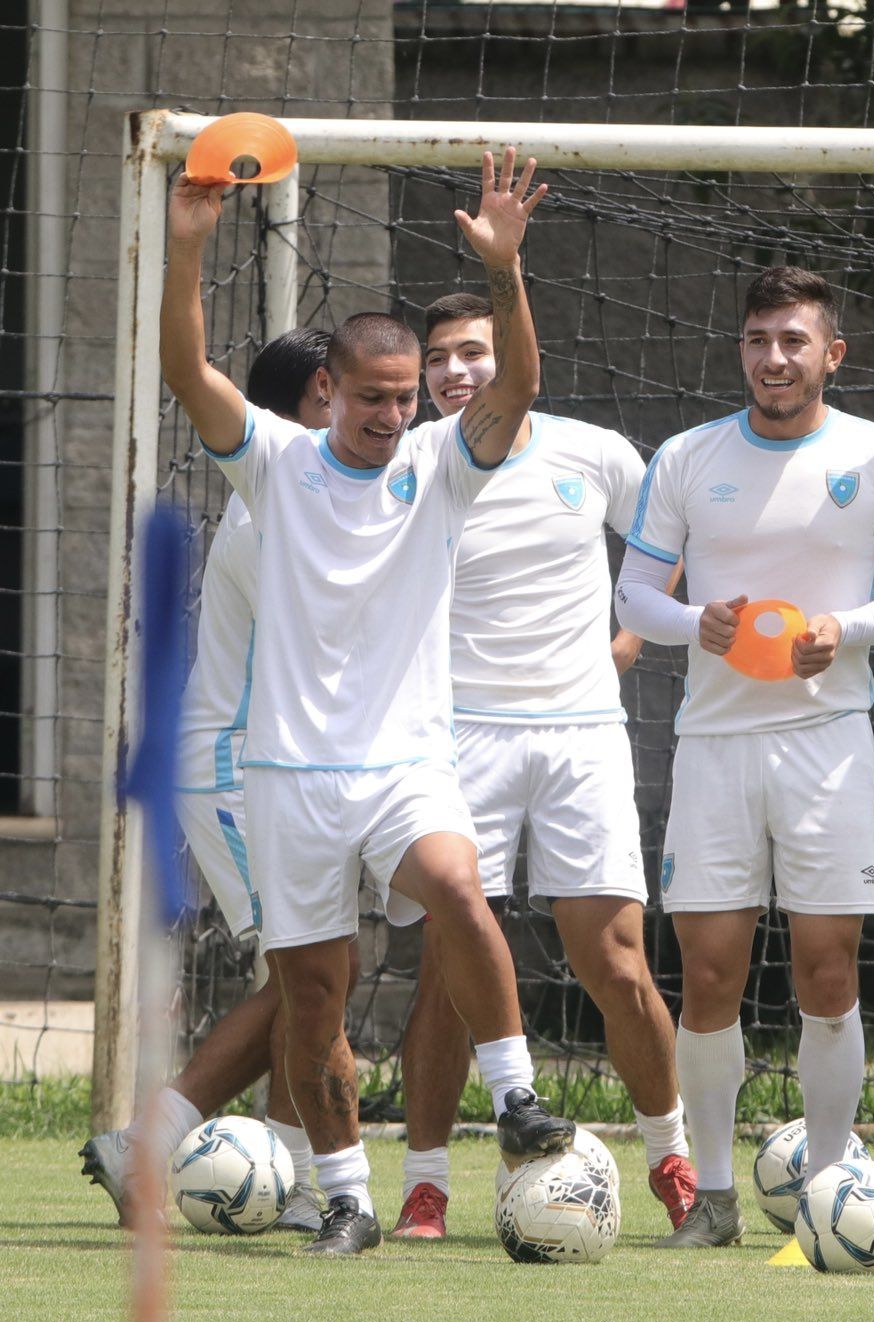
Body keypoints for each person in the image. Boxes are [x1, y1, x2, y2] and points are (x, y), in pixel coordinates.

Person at [158, 148, 572, 1256]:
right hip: (288, 776)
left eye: (407, 397)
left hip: (404, 761)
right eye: (376, 396)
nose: (395, 415)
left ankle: (516, 1092)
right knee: (311, 1002)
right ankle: (345, 1196)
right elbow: (189, 369)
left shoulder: (439, 464)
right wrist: (189, 242)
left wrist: (503, 271)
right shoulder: (277, 461)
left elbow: (520, 386)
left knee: (457, 887)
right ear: (330, 389)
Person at [612, 265, 874, 1248]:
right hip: (713, 744)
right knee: (708, 972)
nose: (774, 358)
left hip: (825, 742)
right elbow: (635, 595)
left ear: (830, 353)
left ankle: (829, 1197)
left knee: (826, 966)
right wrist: (691, 622)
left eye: (793, 340)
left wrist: (843, 627)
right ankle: (711, 1199)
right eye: (758, 339)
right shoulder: (685, 457)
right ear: (741, 351)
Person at [389, 292, 693, 1240]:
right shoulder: (410, 463)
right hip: (456, 739)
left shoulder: (591, 450)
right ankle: (425, 1185)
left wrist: (630, 640)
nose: (455, 372)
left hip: (581, 736)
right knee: (447, 966)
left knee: (615, 959)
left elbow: (663, 543)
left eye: (472, 352)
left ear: (509, 353)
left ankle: (676, 1164)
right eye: (438, 358)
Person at [80, 328, 336, 1233]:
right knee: (311, 969)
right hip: (234, 763)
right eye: (351, 393)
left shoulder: (308, 491)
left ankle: (287, 1169)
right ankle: (153, 1145)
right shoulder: (279, 505)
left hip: (273, 764)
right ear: (313, 398)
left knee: (312, 967)